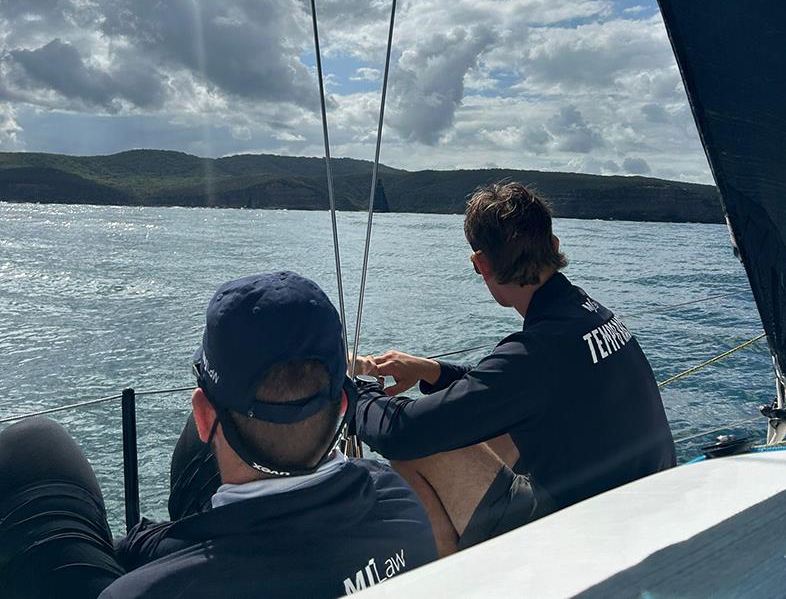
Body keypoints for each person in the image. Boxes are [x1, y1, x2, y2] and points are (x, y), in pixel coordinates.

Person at [0, 271, 436, 598]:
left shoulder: (146, 593)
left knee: (34, 444)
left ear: (205, 416)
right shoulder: (398, 501)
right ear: (342, 407)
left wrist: (140, 548)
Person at [354, 182, 676, 555]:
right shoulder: (587, 312)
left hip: (596, 539)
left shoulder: (538, 350)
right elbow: (515, 390)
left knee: (421, 449)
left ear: (480, 264)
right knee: (477, 423)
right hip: (648, 507)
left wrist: (351, 390)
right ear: (553, 247)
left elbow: (402, 433)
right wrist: (434, 372)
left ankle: (452, 578)